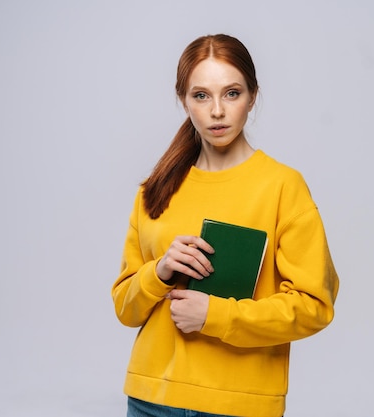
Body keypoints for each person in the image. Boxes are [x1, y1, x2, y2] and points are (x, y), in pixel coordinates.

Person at [112, 33, 339, 417]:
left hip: (237, 405)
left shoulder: (282, 186)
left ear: (252, 96)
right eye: (201, 95)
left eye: (231, 93)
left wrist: (215, 316)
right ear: (183, 100)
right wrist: (160, 271)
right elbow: (125, 309)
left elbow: (314, 305)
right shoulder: (156, 190)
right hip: (151, 398)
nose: (217, 110)